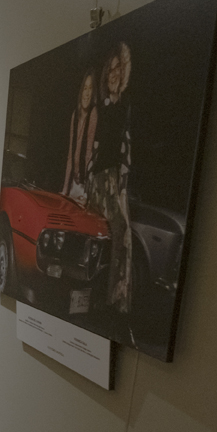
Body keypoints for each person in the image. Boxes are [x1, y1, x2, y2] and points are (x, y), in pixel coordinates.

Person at [87, 42, 133, 320]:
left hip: (116, 180)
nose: (114, 74)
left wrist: (123, 188)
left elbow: (126, 152)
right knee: (103, 231)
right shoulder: (102, 110)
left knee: (122, 232)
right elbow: (93, 147)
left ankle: (114, 299)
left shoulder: (125, 108)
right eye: (111, 70)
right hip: (99, 180)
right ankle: (97, 295)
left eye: (119, 69)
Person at [62, 70, 98, 204]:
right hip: (74, 183)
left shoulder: (93, 113)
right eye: (85, 88)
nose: (87, 93)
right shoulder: (75, 115)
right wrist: (65, 189)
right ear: (81, 91)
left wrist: (87, 192)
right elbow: (71, 154)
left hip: (85, 185)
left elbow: (89, 154)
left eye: (90, 89)